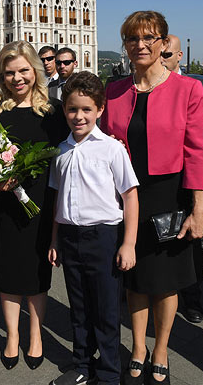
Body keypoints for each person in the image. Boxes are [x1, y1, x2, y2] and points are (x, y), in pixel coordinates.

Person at [100, 11, 203, 385]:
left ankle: (160, 350)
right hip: (125, 196)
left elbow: (197, 151)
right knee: (134, 278)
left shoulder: (188, 89)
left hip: (169, 196)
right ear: (125, 46)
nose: (141, 45)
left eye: (150, 38)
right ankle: (138, 348)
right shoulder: (113, 91)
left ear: (164, 43)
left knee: (165, 280)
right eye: (133, 39)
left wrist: (198, 209)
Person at [48, 71, 139, 385]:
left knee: (106, 309)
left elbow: (130, 196)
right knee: (79, 306)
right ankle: (82, 366)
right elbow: (58, 200)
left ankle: (111, 372)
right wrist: (55, 240)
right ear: (64, 110)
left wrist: (128, 244)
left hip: (103, 237)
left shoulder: (112, 149)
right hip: (70, 238)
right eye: (72, 109)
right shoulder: (60, 151)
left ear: (100, 109)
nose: (79, 116)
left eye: (86, 109)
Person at [0, 40, 68, 371]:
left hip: (39, 206)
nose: (17, 79)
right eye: (9, 73)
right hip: (2, 207)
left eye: (23, 71)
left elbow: (68, 153)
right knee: (6, 271)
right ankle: (12, 336)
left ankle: (35, 333)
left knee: (35, 272)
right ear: (1, 77)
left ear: (35, 70)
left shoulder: (53, 112)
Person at [162, 34, 203, 324]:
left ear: (180, 56)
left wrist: (178, 142)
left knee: (189, 244)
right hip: (158, 180)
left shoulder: (200, 86)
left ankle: (192, 300)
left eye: (168, 55)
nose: (163, 60)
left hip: (188, 179)